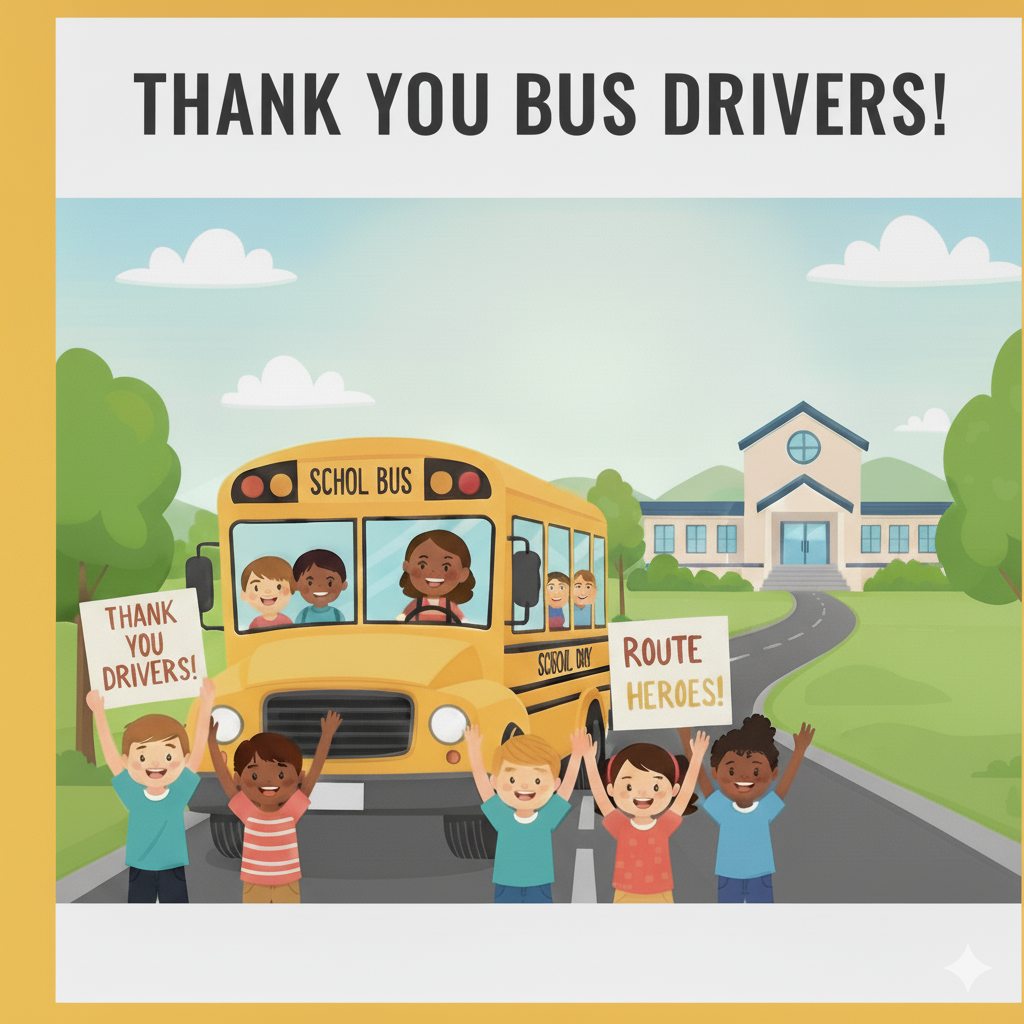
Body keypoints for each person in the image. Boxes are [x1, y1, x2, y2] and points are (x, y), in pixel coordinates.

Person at [86, 678, 216, 902]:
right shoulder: (134, 795)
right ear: (126, 760)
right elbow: (111, 757)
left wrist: (206, 705)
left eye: (168, 756)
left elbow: (197, 752)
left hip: (172, 866)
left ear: (184, 760)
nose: (155, 764)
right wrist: (98, 713)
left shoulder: (178, 793)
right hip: (140, 867)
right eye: (143, 756)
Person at [207, 710, 343, 903]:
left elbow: (314, 772)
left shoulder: (266, 811)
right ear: (239, 779)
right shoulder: (287, 810)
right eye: (255, 775)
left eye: (280, 775)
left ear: (299, 777)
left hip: (280, 883)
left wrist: (327, 736)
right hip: (260, 883)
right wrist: (211, 743)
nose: (269, 781)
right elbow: (225, 779)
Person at [680, 714, 815, 903]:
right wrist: (685, 738)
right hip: (729, 876)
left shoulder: (762, 810)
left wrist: (800, 750)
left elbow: (785, 784)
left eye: (755, 771)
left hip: (759, 877)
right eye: (732, 771)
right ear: (715, 772)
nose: (743, 777)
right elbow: (701, 778)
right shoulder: (724, 809)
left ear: (773, 773)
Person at [465, 723, 589, 903]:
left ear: (555, 784)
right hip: (507, 884)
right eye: (512, 779)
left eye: (537, 780)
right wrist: (473, 748)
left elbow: (567, 789)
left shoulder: (546, 817)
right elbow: (482, 785)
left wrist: (577, 755)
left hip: (539, 884)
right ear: (495, 782)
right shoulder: (503, 817)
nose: (524, 785)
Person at [582, 732, 708, 903]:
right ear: (611, 789)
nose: (642, 793)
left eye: (656, 786)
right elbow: (601, 798)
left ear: (674, 790)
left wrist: (697, 757)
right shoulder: (620, 826)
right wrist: (589, 759)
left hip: (660, 892)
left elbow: (685, 795)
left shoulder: (664, 826)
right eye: (629, 786)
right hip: (625, 893)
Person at [396, 530, 475, 624]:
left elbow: (462, 620)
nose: (434, 572)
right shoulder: (416, 604)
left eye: (446, 567)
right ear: (407, 567)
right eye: (422, 565)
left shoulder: (450, 606)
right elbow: (403, 617)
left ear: (463, 574)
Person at [292, 548, 348, 624]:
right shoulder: (303, 615)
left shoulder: (337, 614)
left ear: (343, 585)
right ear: (296, 586)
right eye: (310, 583)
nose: (320, 586)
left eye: (329, 583)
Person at [238, 555, 295, 630]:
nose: (268, 591)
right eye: (256, 588)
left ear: (292, 589)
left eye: (278, 587)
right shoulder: (255, 623)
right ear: (244, 595)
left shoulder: (286, 621)